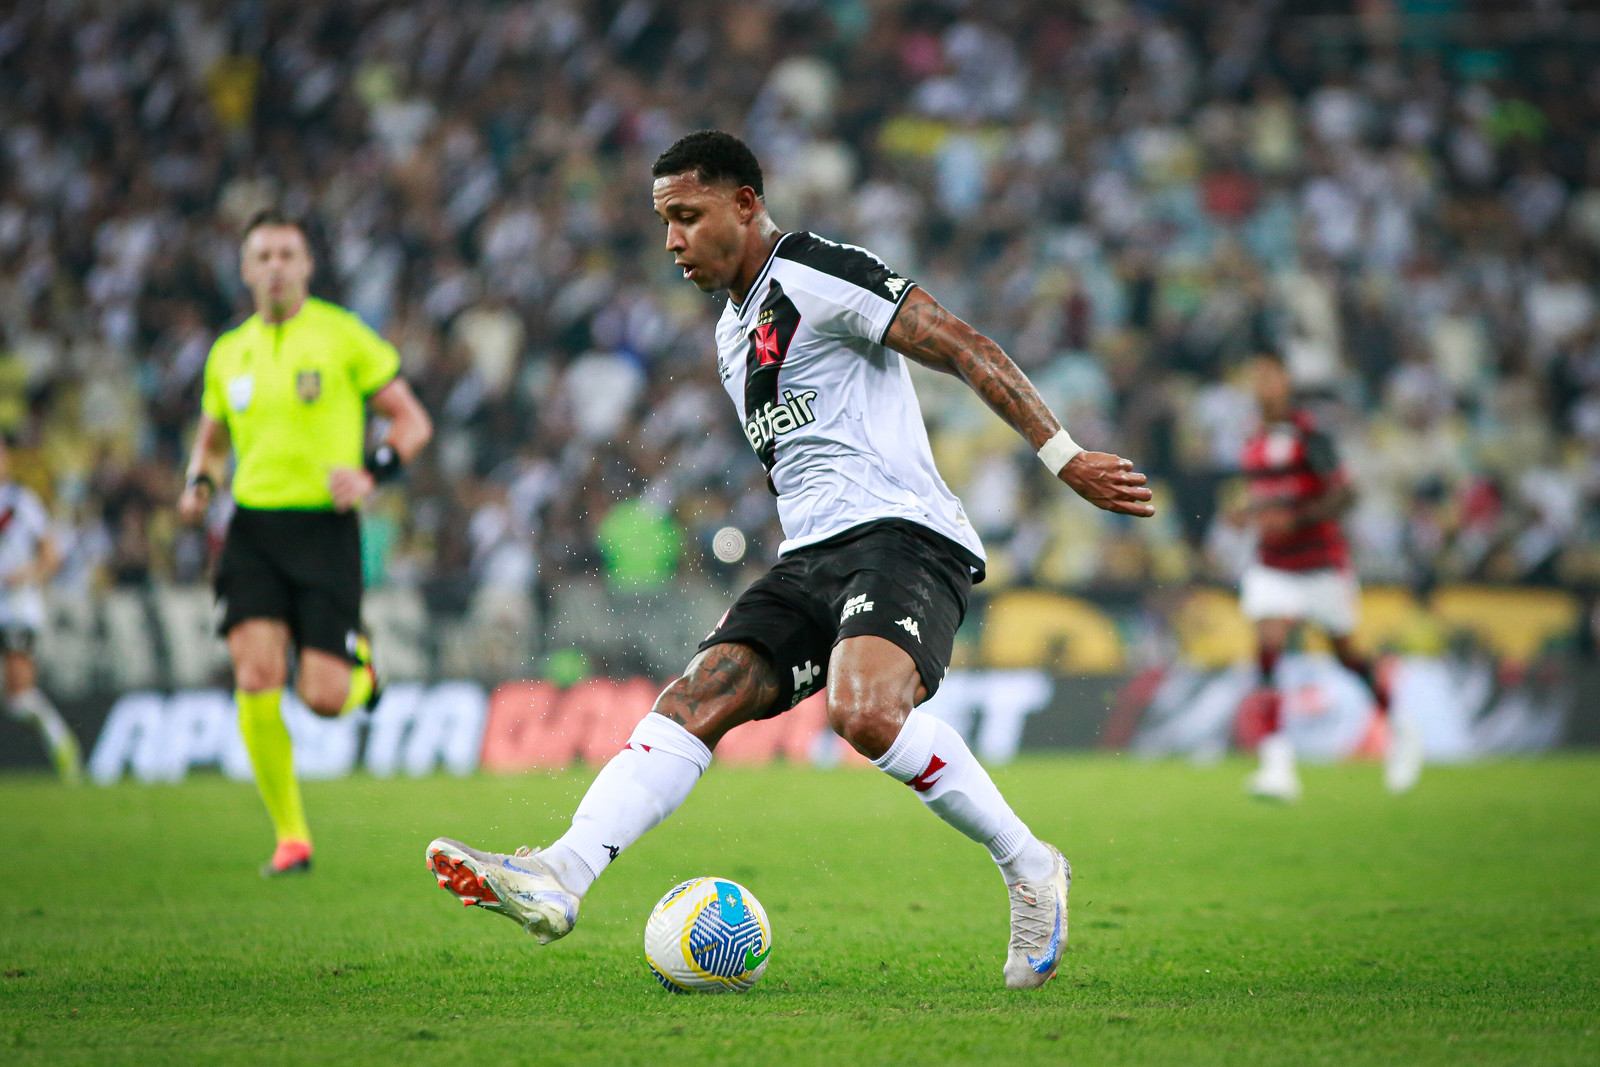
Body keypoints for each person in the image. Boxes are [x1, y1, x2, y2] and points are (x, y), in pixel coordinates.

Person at [426, 130, 1154, 989]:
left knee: (863, 709)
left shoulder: (813, 271)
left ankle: (1030, 864)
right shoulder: (731, 338)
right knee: (696, 694)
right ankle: (562, 871)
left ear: (745, 203)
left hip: (904, 536)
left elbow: (958, 340)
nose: (673, 242)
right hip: (810, 555)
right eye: (664, 223)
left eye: (688, 217)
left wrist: (1061, 453)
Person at [179, 209, 432, 876]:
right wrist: (198, 486)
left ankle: (363, 673)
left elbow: (412, 422)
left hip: (325, 529)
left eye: (287, 254)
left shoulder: (342, 335)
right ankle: (291, 836)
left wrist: (371, 471)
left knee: (323, 696)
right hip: (254, 528)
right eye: (262, 255)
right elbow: (209, 443)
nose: (275, 266)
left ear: (307, 265)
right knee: (256, 673)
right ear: (244, 269)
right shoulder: (227, 352)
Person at [1234, 353, 1423, 799]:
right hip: (1272, 564)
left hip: (1320, 564)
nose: (1262, 384)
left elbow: (1345, 496)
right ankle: (1277, 767)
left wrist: (1294, 520)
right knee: (1268, 646)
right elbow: (1269, 500)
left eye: (1270, 375)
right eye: (1255, 376)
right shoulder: (1252, 439)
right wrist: (1248, 514)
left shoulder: (1309, 435)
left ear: (1285, 380)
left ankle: (1401, 726)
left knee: (1348, 656)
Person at [0, 438, 78, 783]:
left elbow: (52, 555)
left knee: (20, 699)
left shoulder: (21, 503)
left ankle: (61, 742)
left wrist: (24, 575)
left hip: (16, 607)